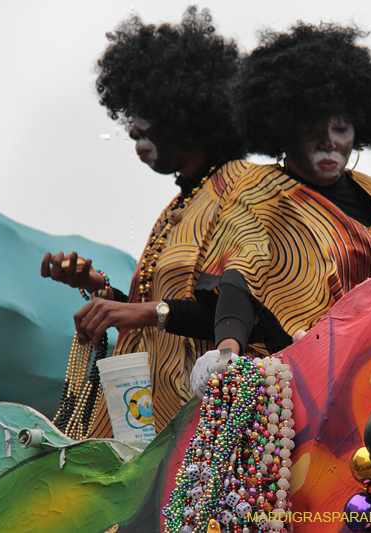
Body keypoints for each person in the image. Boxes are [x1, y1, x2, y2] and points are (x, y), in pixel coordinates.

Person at [41, 7, 254, 436]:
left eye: (147, 120)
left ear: (187, 112)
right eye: (132, 123)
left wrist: (133, 311)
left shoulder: (242, 188)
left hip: (204, 421)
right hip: (146, 418)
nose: (136, 133)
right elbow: (155, 309)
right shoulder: (183, 202)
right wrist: (102, 288)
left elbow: (231, 309)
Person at [189, 23, 371, 390]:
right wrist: (226, 353)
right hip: (305, 381)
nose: (329, 142)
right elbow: (242, 275)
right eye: (311, 127)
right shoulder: (261, 190)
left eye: (340, 128)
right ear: (283, 129)